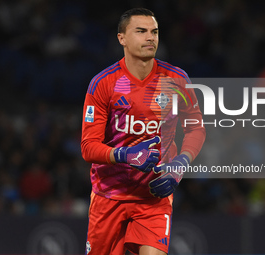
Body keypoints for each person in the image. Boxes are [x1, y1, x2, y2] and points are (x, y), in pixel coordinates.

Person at [81, 7, 205, 255]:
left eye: (154, 32)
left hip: (153, 197)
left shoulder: (177, 79)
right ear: (122, 38)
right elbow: (88, 147)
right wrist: (124, 155)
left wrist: (180, 164)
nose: (151, 37)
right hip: (109, 196)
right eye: (141, 31)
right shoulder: (104, 83)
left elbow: (196, 129)